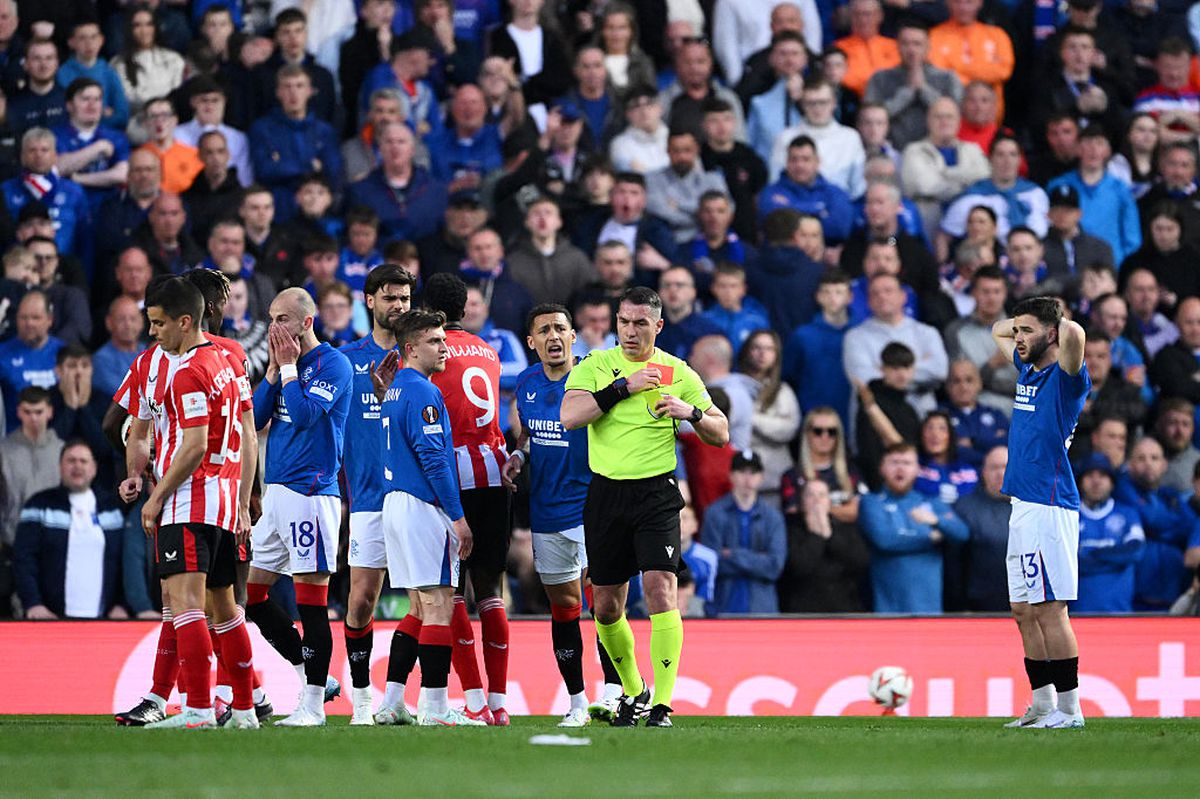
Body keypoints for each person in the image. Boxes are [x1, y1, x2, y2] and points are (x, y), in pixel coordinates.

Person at [561, 286, 729, 727]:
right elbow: (570, 416)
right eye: (623, 322)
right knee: (606, 606)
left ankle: (662, 705)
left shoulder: (678, 371)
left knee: (660, 590)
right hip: (606, 494)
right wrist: (623, 388)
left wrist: (688, 413)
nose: (630, 332)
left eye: (640, 323)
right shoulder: (596, 365)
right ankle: (635, 691)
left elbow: (721, 431)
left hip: (655, 493)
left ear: (658, 326)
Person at [122, 277, 255, 729]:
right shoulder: (225, 360)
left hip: (189, 499)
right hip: (221, 497)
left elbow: (194, 444)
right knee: (226, 607)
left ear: (184, 321)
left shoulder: (187, 371)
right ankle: (244, 709)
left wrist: (155, 499)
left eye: (159, 323)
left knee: (185, 606)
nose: (153, 333)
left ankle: (197, 709)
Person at [502, 303, 623, 727]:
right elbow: (530, 430)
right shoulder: (527, 381)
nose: (553, 337)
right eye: (544, 331)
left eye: (560, 329)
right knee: (565, 607)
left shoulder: (594, 375)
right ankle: (576, 703)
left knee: (605, 602)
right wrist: (518, 453)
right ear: (531, 342)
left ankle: (613, 692)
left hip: (595, 503)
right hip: (548, 511)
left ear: (574, 336)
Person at [369, 308, 483, 727]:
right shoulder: (423, 393)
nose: (445, 347)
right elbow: (434, 460)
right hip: (422, 505)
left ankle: (393, 702)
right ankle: (435, 708)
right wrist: (458, 517)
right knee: (438, 605)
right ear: (411, 348)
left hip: (395, 503)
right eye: (436, 341)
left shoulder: (397, 388)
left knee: (418, 607)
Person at [247, 287, 353, 727]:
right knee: (252, 596)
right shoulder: (282, 365)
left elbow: (307, 415)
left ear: (307, 323)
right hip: (276, 493)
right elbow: (252, 420)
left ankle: (311, 706)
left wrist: (289, 369)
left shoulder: (334, 365)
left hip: (312, 494)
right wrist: (273, 373)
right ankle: (312, 675)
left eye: (284, 319)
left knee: (311, 603)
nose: (274, 328)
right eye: (271, 318)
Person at [991, 295, 1090, 729]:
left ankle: (1071, 710)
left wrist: (1053, 316)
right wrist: (1023, 326)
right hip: (1022, 504)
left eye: (1027, 331)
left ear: (1051, 333)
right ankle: (1043, 704)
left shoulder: (1066, 380)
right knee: (1023, 609)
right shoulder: (1027, 369)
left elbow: (1077, 334)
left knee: (1051, 609)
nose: (1017, 338)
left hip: (1050, 506)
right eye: (1018, 330)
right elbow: (998, 330)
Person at [421, 274, 514, 725]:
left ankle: (474, 700)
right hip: (494, 473)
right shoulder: (488, 351)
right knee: (491, 592)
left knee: (450, 593)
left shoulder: (432, 352)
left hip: (451, 475)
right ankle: (499, 704)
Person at [332, 265, 415, 725]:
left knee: (426, 603)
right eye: (389, 298)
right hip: (366, 499)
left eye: (404, 298)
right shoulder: (345, 361)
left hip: (416, 499)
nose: (398, 306)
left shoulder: (421, 357)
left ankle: (397, 696)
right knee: (362, 599)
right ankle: (362, 698)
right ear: (369, 301)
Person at [13, 440, 125, 620]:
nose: (77, 466)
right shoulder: (39, 505)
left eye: (83, 461)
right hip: (50, 619)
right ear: (60, 466)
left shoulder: (111, 509)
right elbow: (24, 560)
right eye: (71, 460)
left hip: (104, 621)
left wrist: (121, 604)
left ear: (94, 468)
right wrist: (33, 604)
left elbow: (123, 562)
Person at [859, 441, 969, 613]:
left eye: (907, 463)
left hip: (929, 610)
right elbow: (885, 540)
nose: (900, 468)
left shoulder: (931, 502)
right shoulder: (871, 502)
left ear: (918, 469)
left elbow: (962, 534)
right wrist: (930, 538)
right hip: (888, 611)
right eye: (894, 462)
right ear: (882, 468)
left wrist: (936, 521)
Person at [1114, 436, 1200, 613]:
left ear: (1164, 464)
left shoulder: (1172, 496)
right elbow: (1151, 519)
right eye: (1141, 458)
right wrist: (1171, 530)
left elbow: (1190, 527)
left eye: (1154, 458)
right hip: (1136, 597)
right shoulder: (1121, 490)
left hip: (1173, 593)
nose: (1148, 463)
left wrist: (1158, 531)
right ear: (1129, 464)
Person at [249, 66, 341, 222]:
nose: (293, 93)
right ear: (278, 92)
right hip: (279, 212)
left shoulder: (324, 131)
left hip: (319, 212)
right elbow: (264, 170)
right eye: (287, 87)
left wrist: (283, 165)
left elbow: (333, 171)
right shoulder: (262, 129)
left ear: (309, 91)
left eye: (299, 86)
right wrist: (310, 165)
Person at [701, 450, 787, 615]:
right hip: (723, 607)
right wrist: (757, 558)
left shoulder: (773, 517)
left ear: (761, 477)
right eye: (742, 472)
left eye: (753, 473)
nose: (748, 478)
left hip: (762, 611)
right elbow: (711, 564)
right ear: (731, 476)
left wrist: (731, 554)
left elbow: (775, 566)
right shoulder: (714, 513)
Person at [1046, 126, 1142, 266]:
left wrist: (1124, 266)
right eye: (1087, 143)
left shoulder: (1120, 189)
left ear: (1108, 151)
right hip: (1069, 266)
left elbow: (1132, 236)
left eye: (1099, 143)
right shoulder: (1059, 186)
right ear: (1077, 149)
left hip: (1111, 267)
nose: (1093, 149)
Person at [900, 98, 989, 246]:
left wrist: (945, 173)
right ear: (928, 121)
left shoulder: (973, 149)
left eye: (949, 117)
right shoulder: (914, 150)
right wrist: (966, 185)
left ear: (959, 121)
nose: (944, 121)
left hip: (970, 222)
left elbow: (984, 179)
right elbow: (925, 186)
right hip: (930, 222)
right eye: (938, 117)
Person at [865, 20, 963, 152]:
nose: (911, 50)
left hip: (937, 152)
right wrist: (907, 93)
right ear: (897, 47)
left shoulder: (948, 78)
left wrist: (923, 89)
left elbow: (954, 118)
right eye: (905, 44)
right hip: (890, 152)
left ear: (928, 47)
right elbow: (869, 119)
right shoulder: (880, 78)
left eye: (917, 44)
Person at [346, 121, 448, 245]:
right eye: (389, 142)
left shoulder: (436, 191)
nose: (395, 147)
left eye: (401, 142)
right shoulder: (360, 191)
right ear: (380, 148)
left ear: (412, 149)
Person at [778, 478, 869, 613]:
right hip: (802, 612)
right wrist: (817, 537)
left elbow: (860, 562)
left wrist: (829, 535)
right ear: (802, 502)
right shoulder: (790, 528)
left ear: (829, 501)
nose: (817, 500)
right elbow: (798, 566)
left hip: (844, 609)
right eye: (810, 495)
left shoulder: (845, 528)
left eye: (822, 495)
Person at [768, 80, 866, 199]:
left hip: (839, 208)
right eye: (811, 103)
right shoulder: (785, 137)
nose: (817, 108)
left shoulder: (850, 137)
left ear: (834, 103)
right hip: (794, 209)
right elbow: (775, 182)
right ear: (802, 104)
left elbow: (858, 187)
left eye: (823, 102)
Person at [2, 128, 90, 261]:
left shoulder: (74, 192)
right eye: (32, 150)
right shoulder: (5, 191)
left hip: (64, 271)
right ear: (22, 157)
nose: (38, 155)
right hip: (18, 271)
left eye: (44, 150)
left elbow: (84, 240)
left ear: (55, 156)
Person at [1073, 454, 1145, 614]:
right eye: (1090, 475)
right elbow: (1064, 562)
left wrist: (1091, 553)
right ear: (1080, 481)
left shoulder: (1127, 514)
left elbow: (1135, 551)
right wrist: (1115, 558)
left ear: (1112, 482)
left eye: (1103, 475)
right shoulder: (1068, 517)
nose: (1096, 481)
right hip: (1078, 615)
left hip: (1120, 613)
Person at [756, 137, 853, 250]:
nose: (799, 165)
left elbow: (840, 229)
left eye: (806, 159)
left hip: (825, 258)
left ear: (817, 161)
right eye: (794, 159)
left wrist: (790, 208)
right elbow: (777, 227)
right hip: (781, 258)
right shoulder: (770, 192)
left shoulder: (836, 193)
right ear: (786, 162)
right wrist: (818, 210)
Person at [784, 270, 853, 424]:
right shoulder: (802, 335)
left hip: (853, 418)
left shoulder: (860, 333)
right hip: (812, 419)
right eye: (827, 292)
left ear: (849, 297)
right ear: (818, 297)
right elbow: (788, 375)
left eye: (839, 292)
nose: (833, 298)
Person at [953, 445, 1013, 612]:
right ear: (983, 472)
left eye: (1006, 467)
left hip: (1027, 603)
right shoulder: (964, 507)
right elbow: (955, 564)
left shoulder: (1032, 508)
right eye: (994, 467)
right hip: (978, 605)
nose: (1000, 473)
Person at [0, 387, 64, 545]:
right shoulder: (4, 451)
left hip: (54, 539)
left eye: (38, 412)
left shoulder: (62, 450)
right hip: (13, 539)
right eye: (27, 412)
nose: (33, 418)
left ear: (49, 411)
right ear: (19, 412)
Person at [505, 195, 595, 306]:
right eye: (536, 213)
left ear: (559, 222)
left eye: (548, 213)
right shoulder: (513, 262)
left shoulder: (577, 258)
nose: (542, 218)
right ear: (527, 222)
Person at [645, 128, 729, 246]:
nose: (682, 156)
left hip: (708, 243)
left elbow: (726, 211)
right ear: (667, 151)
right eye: (676, 151)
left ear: (696, 150)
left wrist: (679, 205)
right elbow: (663, 214)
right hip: (668, 242)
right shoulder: (652, 179)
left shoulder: (713, 180)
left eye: (687, 150)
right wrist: (702, 216)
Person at [0, 290, 63, 431]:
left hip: (57, 436)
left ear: (49, 319)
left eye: (36, 318)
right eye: (23, 318)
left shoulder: (64, 354)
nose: (29, 323)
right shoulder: (2, 353)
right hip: (12, 438)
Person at [174, 77, 252, 187]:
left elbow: (245, 179)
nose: (210, 106)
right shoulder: (176, 136)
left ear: (224, 102)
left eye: (215, 100)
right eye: (204, 100)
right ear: (193, 103)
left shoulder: (238, 138)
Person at [1042, 184, 1115, 282]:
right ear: (1048, 214)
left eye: (1068, 211)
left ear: (1079, 214)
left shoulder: (1100, 248)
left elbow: (1109, 281)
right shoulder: (1040, 248)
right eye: (1057, 210)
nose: (1062, 215)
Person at [1156, 398, 1200, 493]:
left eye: (1185, 424)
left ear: (1192, 428)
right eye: (1173, 423)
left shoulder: (1198, 461)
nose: (1179, 431)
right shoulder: (1143, 457)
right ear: (1160, 426)